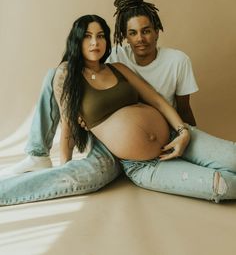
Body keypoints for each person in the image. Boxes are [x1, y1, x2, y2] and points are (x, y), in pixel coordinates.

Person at [0, 11, 236, 205]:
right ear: (77, 40)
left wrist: (183, 132)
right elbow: (69, 126)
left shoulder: (119, 68)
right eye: (88, 36)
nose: (95, 42)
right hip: (142, 165)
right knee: (221, 185)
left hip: (174, 136)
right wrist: (66, 166)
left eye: (101, 36)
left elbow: (156, 100)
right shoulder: (66, 74)